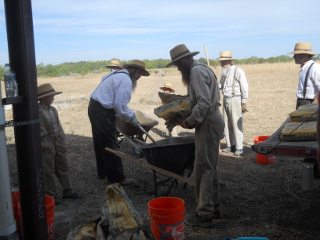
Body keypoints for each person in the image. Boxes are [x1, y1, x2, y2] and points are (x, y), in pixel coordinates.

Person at [166, 44, 224, 228]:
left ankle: (205, 215)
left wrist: (190, 121)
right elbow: (197, 99)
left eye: (177, 64)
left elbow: (204, 102)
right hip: (211, 119)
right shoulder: (201, 69)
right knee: (209, 166)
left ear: (183, 60)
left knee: (202, 168)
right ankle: (214, 209)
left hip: (208, 120)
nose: (177, 68)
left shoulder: (196, 72)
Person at [88, 60, 150, 186]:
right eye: (139, 73)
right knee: (111, 144)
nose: (139, 77)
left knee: (101, 142)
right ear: (132, 69)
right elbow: (120, 105)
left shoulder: (116, 74)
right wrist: (131, 117)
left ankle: (103, 172)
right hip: (102, 111)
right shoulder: (126, 80)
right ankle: (117, 178)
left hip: (94, 107)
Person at [38, 83, 79, 204]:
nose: (53, 98)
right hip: (46, 142)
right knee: (48, 170)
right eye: (51, 96)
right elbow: (32, 131)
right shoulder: (37, 112)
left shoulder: (53, 110)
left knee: (63, 167)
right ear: (44, 98)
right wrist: (41, 144)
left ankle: (68, 191)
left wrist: (64, 142)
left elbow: (59, 127)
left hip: (58, 140)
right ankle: (52, 195)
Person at [218, 51, 249, 156]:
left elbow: (244, 86)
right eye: (221, 62)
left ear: (230, 61)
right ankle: (230, 145)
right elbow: (221, 86)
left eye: (224, 62)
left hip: (235, 98)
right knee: (226, 123)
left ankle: (239, 147)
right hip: (225, 98)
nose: (223, 64)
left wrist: (244, 101)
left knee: (236, 123)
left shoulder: (238, 71)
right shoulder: (223, 72)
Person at [288, 42, 320, 109]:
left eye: (296, 54)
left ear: (305, 55)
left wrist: (315, 103)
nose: (294, 57)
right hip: (302, 102)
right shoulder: (304, 68)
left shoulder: (315, 68)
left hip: (311, 103)